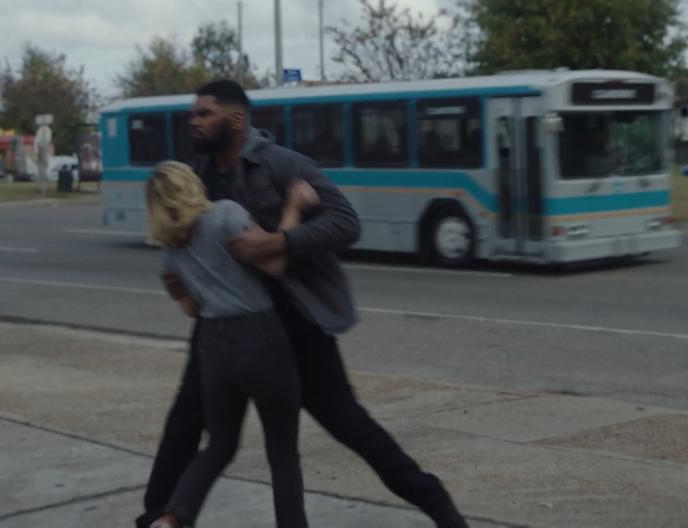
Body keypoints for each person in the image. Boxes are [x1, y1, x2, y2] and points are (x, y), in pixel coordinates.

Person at [136, 80, 468, 528]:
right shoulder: (201, 174)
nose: (193, 122)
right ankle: (156, 516)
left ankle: (435, 501)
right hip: (226, 325)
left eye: (204, 114)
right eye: (192, 114)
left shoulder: (281, 164)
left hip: (296, 321)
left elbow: (346, 222)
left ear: (235, 119)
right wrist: (180, 283)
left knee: (348, 424)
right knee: (185, 419)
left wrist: (283, 240)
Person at [146, 161, 318, 528]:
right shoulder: (226, 215)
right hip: (260, 337)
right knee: (283, 452)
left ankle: (173, 518)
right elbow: (274, 264)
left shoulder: (170, 253)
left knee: (219, 446)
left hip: (212, 346)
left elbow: (192, 309)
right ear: (192, 184)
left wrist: (181, 288)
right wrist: (294, 208)